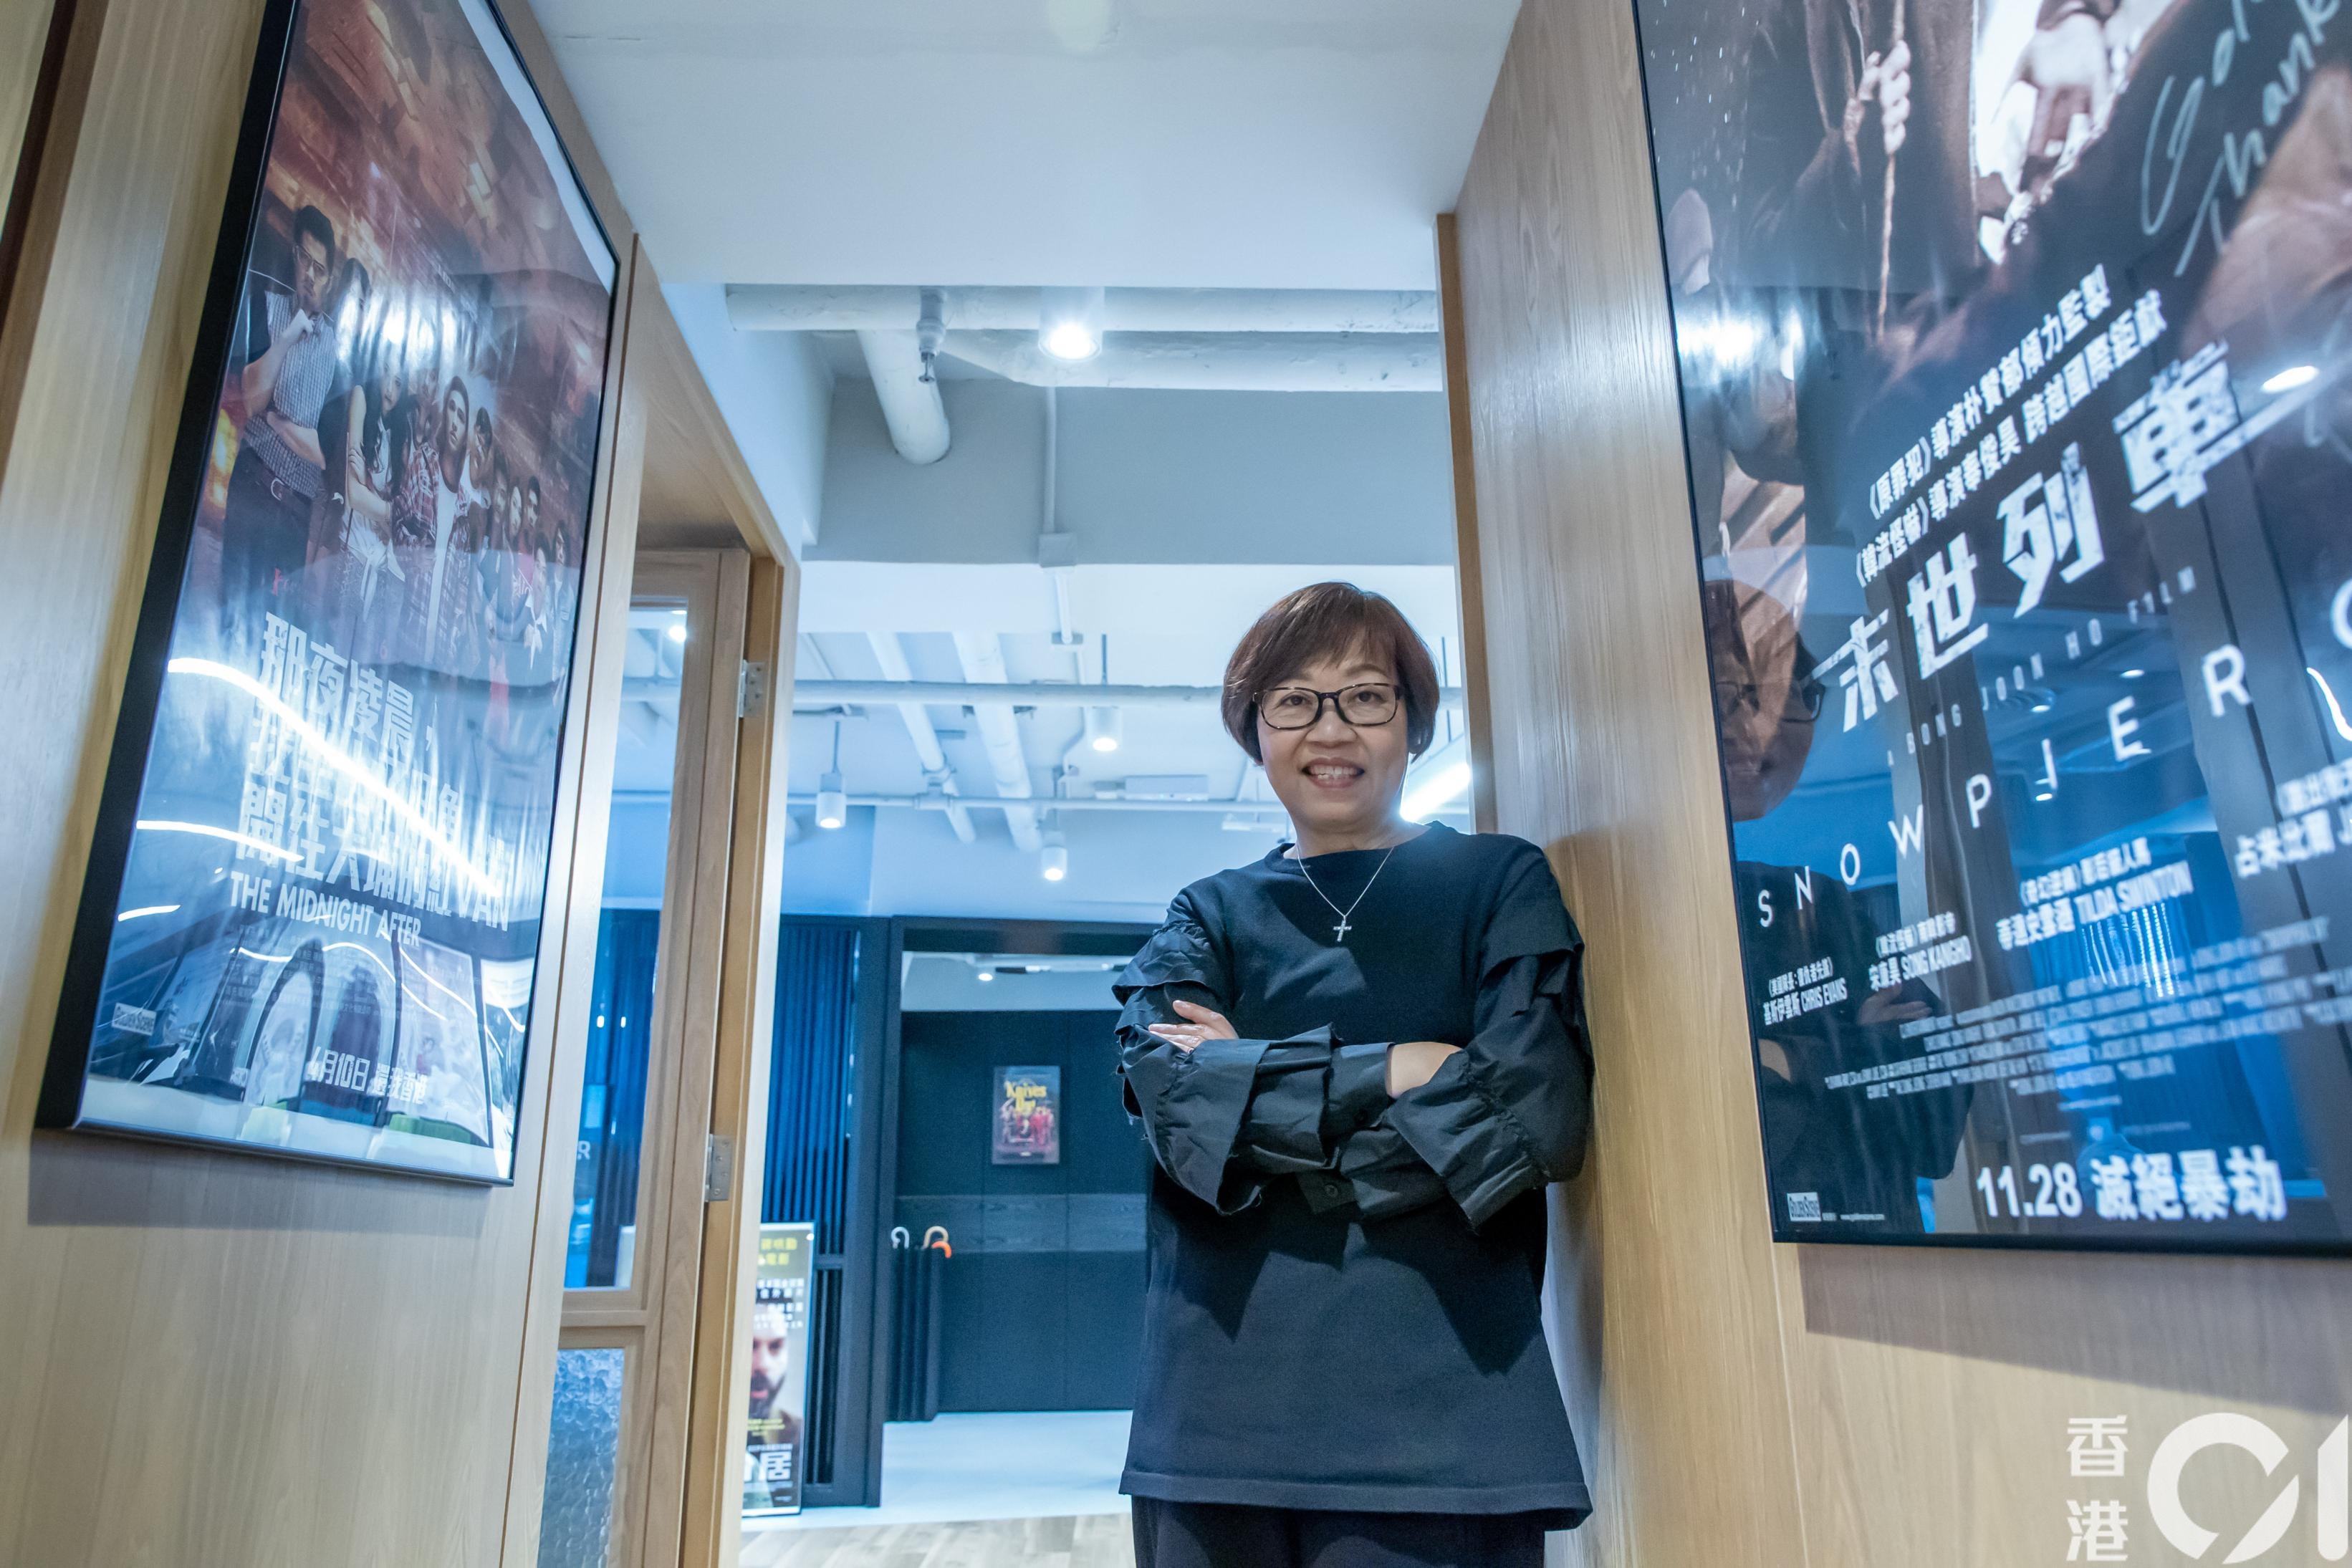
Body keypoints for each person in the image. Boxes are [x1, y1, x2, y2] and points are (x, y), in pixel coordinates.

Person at [1113, 582, 1593, 1568]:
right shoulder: (1205, 912)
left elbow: (1528, 1113)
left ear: (1412, 721)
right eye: (1294, 700)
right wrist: (1401, 1067)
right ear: (1254, 728)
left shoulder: (1499, 881)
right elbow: (1174, 1104)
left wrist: (1253, 1088)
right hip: (1213, 1414)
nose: (1329, 729)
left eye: (1365, 696)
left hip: (1445, 1411)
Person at [224, 204, 343, 635]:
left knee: (272, 634)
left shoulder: (339, 356)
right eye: (304, 260)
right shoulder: (267, 307)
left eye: (320, 268)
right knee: (230, 616)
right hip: (250, 485)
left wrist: (275, 421)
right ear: (294, 256)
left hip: (294, 511)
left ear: (330, 279)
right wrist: (289, 335)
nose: (309, 275)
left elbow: (323, 452)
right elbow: (252, 397)